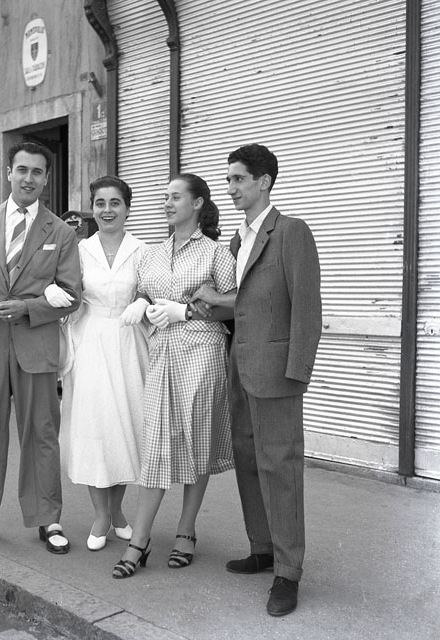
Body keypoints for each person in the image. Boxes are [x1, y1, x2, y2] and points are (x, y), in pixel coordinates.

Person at [0, 141, 82, 555]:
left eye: (37, 172)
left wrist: (27, 307)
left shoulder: (61, 232)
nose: (28, 178)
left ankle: (48, 519)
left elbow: (72, 295)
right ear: (8, 173)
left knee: (41, 432)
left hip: (35, 343)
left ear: (46, 178)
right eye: (22, 170)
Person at [213, 143, 321, 617]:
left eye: (238, 179)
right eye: (229, 179)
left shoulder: (291, 232)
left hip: (277, 372)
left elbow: (307, 307)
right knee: (247, 457)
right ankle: (262, 547)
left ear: (264, 182)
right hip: (240, 364)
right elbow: (241, 304)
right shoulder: (238, 240)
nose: (231, 188)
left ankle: (288, 571)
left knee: (281, 467)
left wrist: (297, 372)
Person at [111, 173, 236, 579]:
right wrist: (142, 301)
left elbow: (235, 303)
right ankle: (140, 538)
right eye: (165, 196)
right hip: (162, 353)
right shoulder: (151, 254)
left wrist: (185, 311)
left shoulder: (216, 254)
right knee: (157, 446)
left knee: (197, 441)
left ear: (197, 203)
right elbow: (146, 290)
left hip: (202, 353)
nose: (167, 203)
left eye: (175, 196)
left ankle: (186, 530)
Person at [52, 176, 148, 551]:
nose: (107, 210)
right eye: (100, 203)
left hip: (129, 342)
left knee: (124, 425)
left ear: (127, 208)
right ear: (92, 209)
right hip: (90, 342)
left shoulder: (143, 251)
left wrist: (143, 301)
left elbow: (151, 289)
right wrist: (54, 294)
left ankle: (118, 511)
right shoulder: (79, 250)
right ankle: (101, 514)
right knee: (93, 428)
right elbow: (67, 290)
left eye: (115, 203)